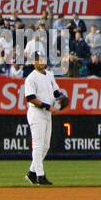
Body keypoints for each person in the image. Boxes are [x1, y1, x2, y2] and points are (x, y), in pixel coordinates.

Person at [23, 52, 66, 185]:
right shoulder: (31, 78)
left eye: (43, 59)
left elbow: (56, 92)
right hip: (36, 113)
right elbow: (31, 98)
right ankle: (40, 176)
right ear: (33, 62)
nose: (42, 61)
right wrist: (49, 107)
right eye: (39, 59)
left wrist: (62, 98)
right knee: (38, 145)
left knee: (45, 146)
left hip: (47, 114)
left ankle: (31, 173)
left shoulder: (50, 74)